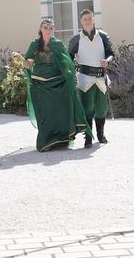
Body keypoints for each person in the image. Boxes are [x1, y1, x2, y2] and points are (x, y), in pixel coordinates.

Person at [13, 20, 91, 152]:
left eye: (50, 27)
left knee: (60, 113)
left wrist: (69, 73)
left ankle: (61, 140)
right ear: (40, 29)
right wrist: (20, 58)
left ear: (53, 29)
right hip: (40, 85)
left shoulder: (57, 44)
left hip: (58, 84)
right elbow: (29, 64)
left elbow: (66, 62)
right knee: (44, 115)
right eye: (45, 27)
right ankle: (45, 142)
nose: (48, 30)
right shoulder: (35, 44)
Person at [68, 9, 114, 147]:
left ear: (93, 19)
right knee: (87, 109)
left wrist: (108, 61)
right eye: (85, 19)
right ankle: (88, 137)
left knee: (101, 108)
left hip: (101, 78)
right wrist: (70, 72)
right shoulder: (76, 39)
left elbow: (111, 53)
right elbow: (68, 57)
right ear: (81, 22)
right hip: (85, 78)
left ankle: (100, 135)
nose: (87, 21)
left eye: (89, 18)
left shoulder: (103, 36)